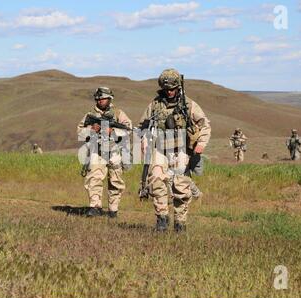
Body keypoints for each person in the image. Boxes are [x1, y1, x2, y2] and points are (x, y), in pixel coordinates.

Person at [138, 69, 211, 232]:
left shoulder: (189, 105)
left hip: (181, 149)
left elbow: (205, 125)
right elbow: (142, 125)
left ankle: (180, 223)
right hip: (160, 149)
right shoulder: (155, 105)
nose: (169, 91)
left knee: (181, 186)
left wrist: (201, 144)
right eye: (166, 89)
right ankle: (162, 219)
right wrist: (143, 140)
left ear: (178, 87)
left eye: (172, 88)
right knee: (156, 181)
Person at [77, 87, 132, 218]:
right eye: (99, 98)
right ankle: (95, 207)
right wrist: (92, 129)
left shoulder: (118, 113)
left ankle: (113, 210)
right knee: (94, 179)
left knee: (115, 181)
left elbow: (128, 130)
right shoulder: (90, 114)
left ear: (109, 99)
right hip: (97, 151)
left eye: (103, 98)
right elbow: (80, 133)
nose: (100, 101)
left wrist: (112, 132)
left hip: (114, 151)